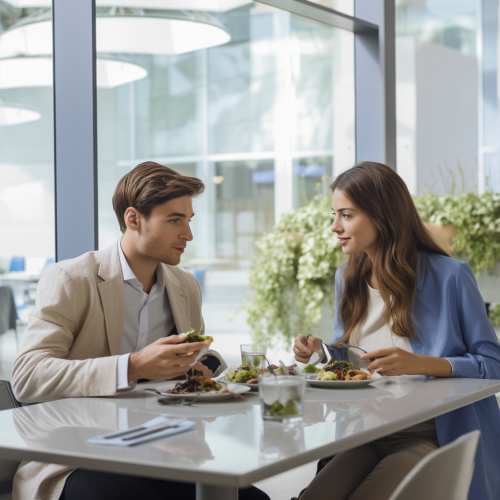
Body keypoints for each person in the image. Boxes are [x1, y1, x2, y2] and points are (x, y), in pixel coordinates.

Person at [11, 162, 269, 500]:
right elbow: (27, 377)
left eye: (189, 221)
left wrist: (204, 365)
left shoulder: (184, 285)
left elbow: (199, 359)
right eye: (175, 220)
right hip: (80, 456)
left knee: (252, 499)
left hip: (166, 449)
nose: (188, 235)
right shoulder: (72, 278)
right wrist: (132, 366)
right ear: (134, 219)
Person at [292, 162, 500, 500]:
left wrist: (420, 363)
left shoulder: (451, 276)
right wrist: (323, 351)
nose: (334, 227)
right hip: (365, 430)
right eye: (335, 215)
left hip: (430, 432)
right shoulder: (347, 278)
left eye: (346, 215)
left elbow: (493, 364)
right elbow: (355, 357)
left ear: (381, 214)